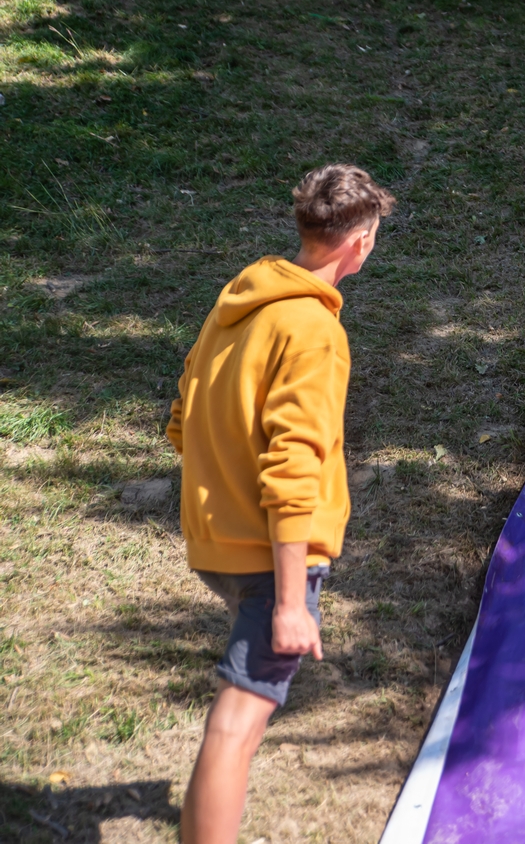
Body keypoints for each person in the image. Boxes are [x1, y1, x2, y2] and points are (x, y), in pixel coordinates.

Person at [170, 165, 394, 844]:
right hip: (270, 558)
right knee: (235, 726)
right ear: (359, 243)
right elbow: (295, 464)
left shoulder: (238, 304)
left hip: (217, 543)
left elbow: (183, 416)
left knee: (235, 717)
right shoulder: (314, 331)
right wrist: (292, 603)